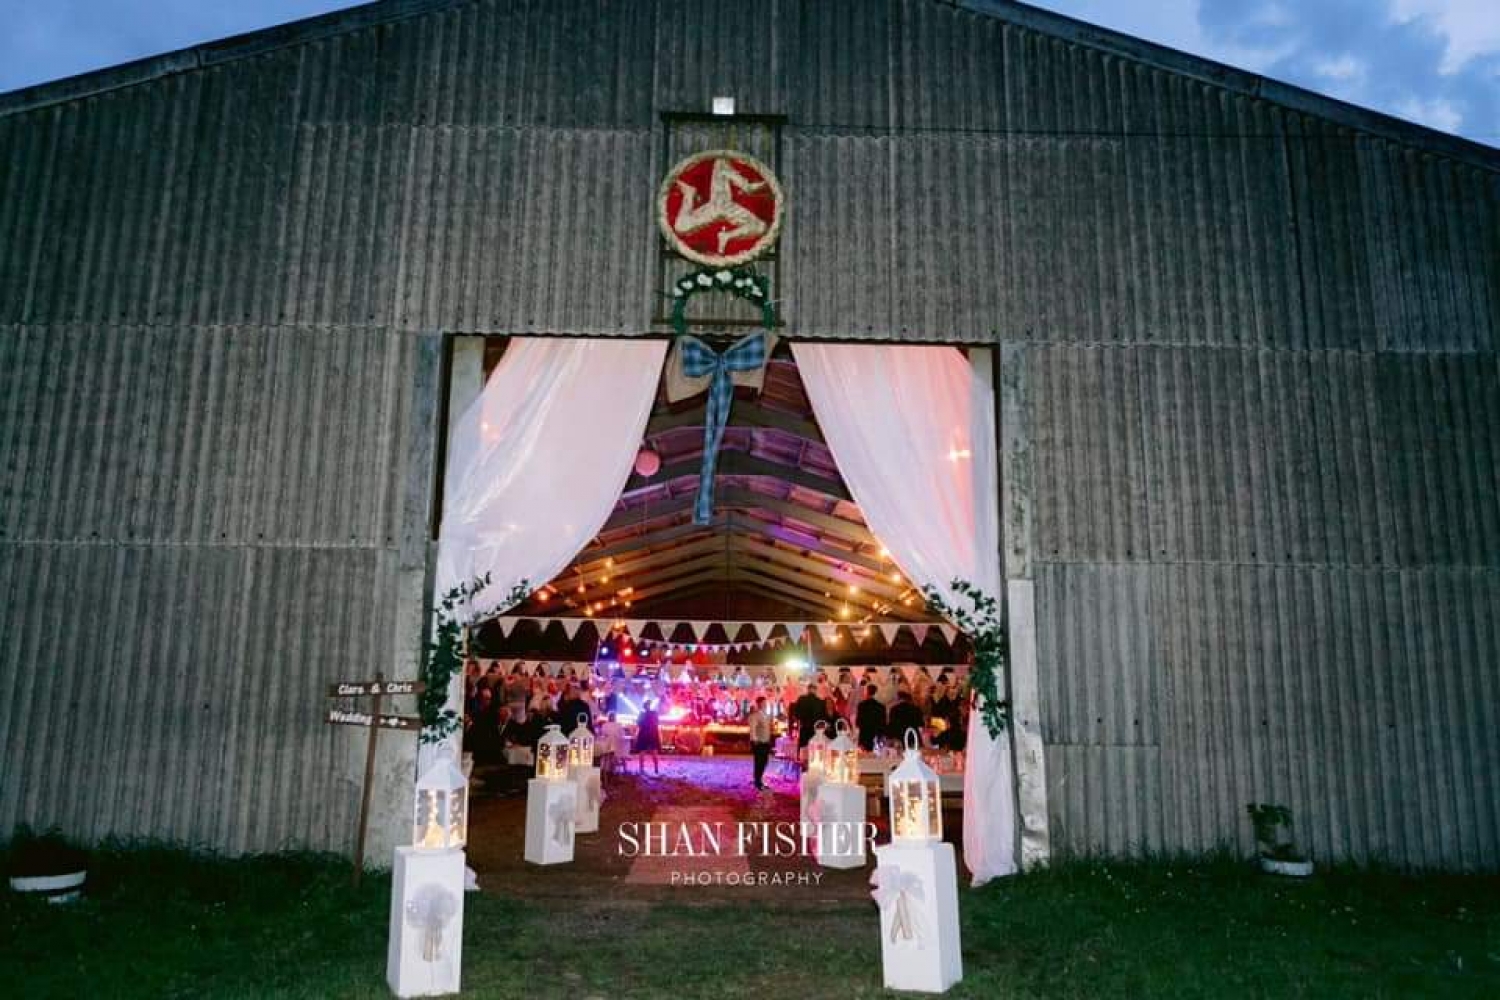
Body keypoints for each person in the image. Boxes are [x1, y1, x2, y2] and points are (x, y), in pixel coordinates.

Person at [747, 696, 773, 792]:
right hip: (758, 743)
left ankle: (759, 780)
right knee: (759, 763)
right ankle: (757, 782)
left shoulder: (765, 715)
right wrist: (754, 740)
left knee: (764, 762)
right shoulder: (755, 715)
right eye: (763, 703)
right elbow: (752, 729)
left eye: (766, 703)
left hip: (765, 742)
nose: (765, 705)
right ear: (759, 704)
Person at [633, 700, 662, 775]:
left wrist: (636, 735)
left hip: (643, 734)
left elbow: (638, 725)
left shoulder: (641, 714)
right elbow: (657, 724)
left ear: (644, 707)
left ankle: (642, 769)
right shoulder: (654, 713)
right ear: (649, 706)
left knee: (642, 752)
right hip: (652, 734)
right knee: (654, 752)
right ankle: (656, 769)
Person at [855, 683, 886, 751]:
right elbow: (883, 724)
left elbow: (858, 722)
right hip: (876, 736)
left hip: (864, 735)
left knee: (864, 755)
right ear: (876, 692)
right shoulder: (881, 707)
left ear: (867, 692)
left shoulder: (861, 705)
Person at [596, 711, 624, 781]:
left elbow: (602, 735)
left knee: (605, 755)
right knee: (614, 755)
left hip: (607, 748)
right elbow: (622, 736)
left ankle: (605, 771)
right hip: (617, 748)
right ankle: (613, 770)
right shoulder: (619, 725)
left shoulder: (605, 725)